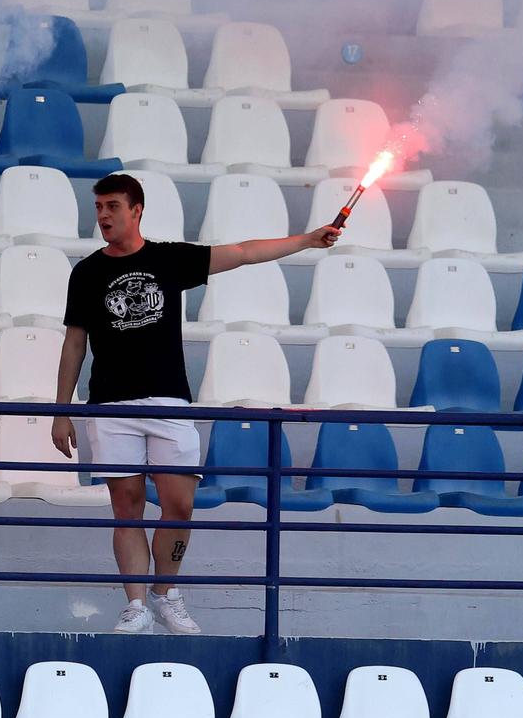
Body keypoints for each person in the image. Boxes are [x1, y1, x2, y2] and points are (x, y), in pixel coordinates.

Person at [52, 173, 339, 634]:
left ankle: (166, 595)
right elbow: (74, 344)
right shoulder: (86, 272)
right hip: (110, 404)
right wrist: (62, 409)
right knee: (125, 507)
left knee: (179, 505)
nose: (103, 215)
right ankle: (135, 605)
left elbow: (244, 253)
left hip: (169, 401)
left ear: (136, 210)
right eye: (99, 207)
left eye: (112, 206)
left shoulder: (168, 259)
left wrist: (306, 240)